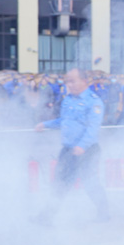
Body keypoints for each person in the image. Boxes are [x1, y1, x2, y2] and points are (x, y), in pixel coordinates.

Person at [34, 68, 110, 222]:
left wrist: (81, 146)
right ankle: (46, 216)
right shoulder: (68, 99)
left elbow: (93, 128)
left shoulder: (93, 101)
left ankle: (104, 213)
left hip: (87, 150)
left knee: (90, 183)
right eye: (67, 81)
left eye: (73, 81)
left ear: (84, 81)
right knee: (59, 183)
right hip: (68, 150)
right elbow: (63, 121)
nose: (69, 84)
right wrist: (45, 124)